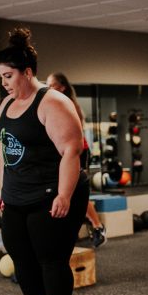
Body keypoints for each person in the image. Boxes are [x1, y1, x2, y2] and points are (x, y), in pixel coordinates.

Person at [0, 28, 89, 295]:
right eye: (1, 77)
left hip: (51, 193)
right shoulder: (6, 104)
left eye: (9, 76)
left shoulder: (53, 102)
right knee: (21, 256)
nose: (4, 82)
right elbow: (7, 152)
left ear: (27, 72)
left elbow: (71, 151)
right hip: (17, 193)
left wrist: (64, 194)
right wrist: (3, 191)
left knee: (51, 258)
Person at [46, 72, 107, 247]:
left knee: (74, 191)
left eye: (51, 85)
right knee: (63, 192)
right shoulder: (51, 103)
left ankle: (98, 226)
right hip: (63, 152)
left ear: (62, 87)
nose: (48, 88)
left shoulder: (68, 104)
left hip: (78, 151)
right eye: (47, 85)